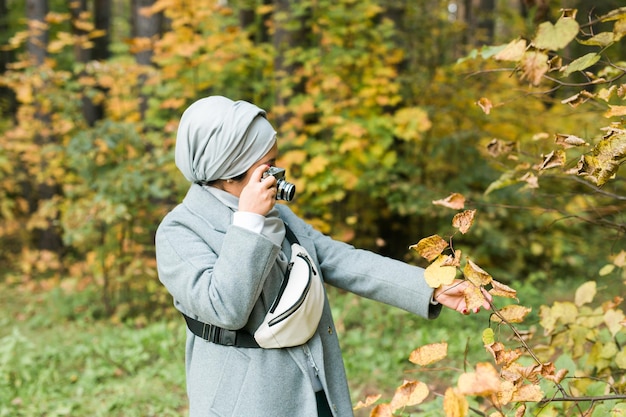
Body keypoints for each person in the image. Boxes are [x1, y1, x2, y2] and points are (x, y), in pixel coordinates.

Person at [155, 96, 491, 417]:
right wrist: (248, 223)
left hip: (314, 387)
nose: (277, 173)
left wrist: (431, 287)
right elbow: (224, 308)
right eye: (268, 165)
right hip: (249, 399)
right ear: (229, 171)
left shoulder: (278, 215)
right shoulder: (179, 232)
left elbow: (338, 259)